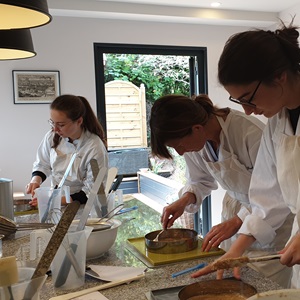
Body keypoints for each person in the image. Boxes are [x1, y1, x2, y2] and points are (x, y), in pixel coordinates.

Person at [192, 20, 300, 288]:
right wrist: (234, 252)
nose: (248, 111)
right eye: (238, 101)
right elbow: (268, 196)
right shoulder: (278, 123)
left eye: (248, 98)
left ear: (279, 76)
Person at [150, 94, 293, 287]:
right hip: (234, 214)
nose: (181, 152)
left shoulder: (248, 133)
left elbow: (275, 193)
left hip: (273, 223)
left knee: (262, 287)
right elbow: (200, 180)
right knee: (230, 279)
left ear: (197, 129)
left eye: (179, 146)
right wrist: (184, 200)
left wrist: (238, 221)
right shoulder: (195, 143)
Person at [26, 94, 108, 205]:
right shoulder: (51, 136)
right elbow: (42, 164)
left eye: (61, 124)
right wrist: (35, 180)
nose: (55, 129)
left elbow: (93, 190)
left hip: (83, 206)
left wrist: (55, 201)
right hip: (56, 200)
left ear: (79, 121)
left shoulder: (94, 147)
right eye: (52, 122)